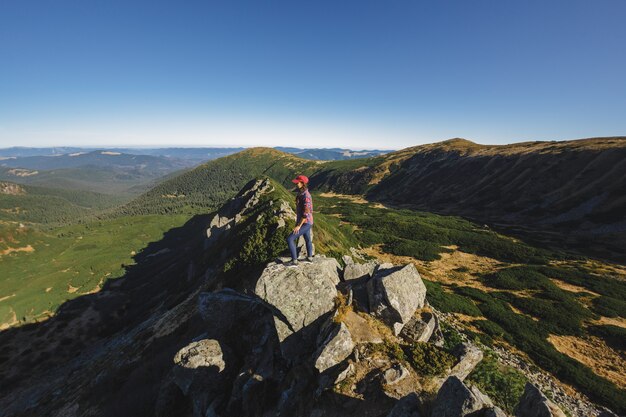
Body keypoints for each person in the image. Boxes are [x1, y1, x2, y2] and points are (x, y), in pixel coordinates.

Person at [284, 174, 314, 267]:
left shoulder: (306, 196)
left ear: (302, 183)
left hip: (305, 222)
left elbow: (306, 213)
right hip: (307, 222)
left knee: (290, 239)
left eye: (298, 182)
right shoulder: (301, 193)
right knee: (307, 239)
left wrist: (298, 226)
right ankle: (309, 258)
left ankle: (294, 261)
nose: (296, 184)